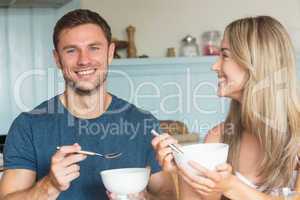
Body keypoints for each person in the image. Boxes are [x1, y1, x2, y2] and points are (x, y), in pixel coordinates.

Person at [0, 9, 176, 200]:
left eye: (94, 48)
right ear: (57, 59)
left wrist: (145, 199)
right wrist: (50, 185)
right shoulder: (28, 126)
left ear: (110, 53)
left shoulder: (144, 124)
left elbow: (167, 196)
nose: (84, 60)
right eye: (71, 50)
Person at [152, 16, 300, 200]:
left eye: (225, 55)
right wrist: (181, 172)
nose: (215, 66)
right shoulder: (218, 138)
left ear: (254, 62)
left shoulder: (296, 137)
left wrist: (230, 186)